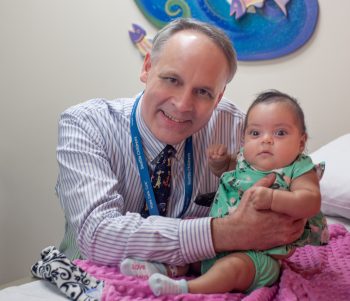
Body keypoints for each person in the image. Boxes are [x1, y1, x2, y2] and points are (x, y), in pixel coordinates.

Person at [56, 18, 305, 268]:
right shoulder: (86, 124)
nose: (183, 105)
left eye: (203, 92)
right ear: (147, 67)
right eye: (172, 80)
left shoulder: (239, 130)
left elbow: (291, 208)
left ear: (218, 98)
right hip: (86, 283)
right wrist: (226, 231)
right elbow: (97, 235)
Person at [121, 90, 329, 296]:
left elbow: (310, 200)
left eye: (280, 133)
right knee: (189, 250)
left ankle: (188, 288)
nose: (266, 140)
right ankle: (164, 269)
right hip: (218, 241)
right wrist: (220, 163)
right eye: (255, 133)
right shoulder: (243, 159)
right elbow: (227, 172)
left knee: (232, 268)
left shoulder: (299, 168)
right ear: (244, 138)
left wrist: (274, 198)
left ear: (301, 142)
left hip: (258, 256)